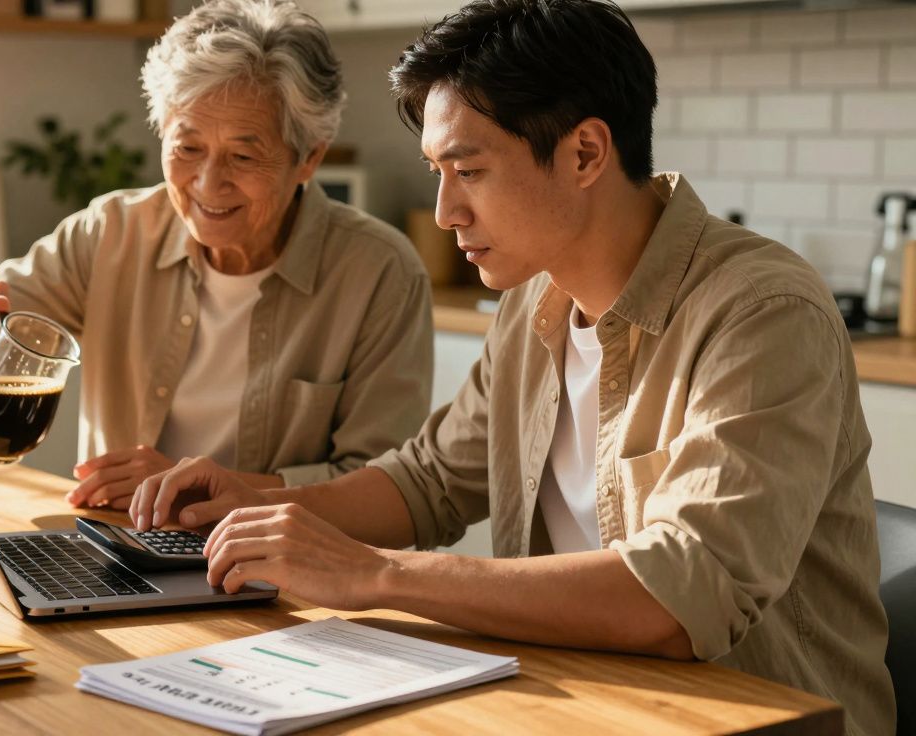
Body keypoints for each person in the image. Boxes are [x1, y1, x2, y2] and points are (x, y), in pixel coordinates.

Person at [128, 1, 896, 733]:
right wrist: (254, 501)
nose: (444, 212)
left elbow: (682, 594)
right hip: (576, 702)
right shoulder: (534, 298)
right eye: (437, 171)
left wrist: (377, 574)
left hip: (761, 719)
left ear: (586, 152)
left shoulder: (762, 312)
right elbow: (431, 480)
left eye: (470, 171)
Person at [0, 0, 433, 511]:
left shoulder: (379, 273)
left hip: (286, 579)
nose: (208, 184)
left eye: (244, 156)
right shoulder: (110, 232)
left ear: (308, 158)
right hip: (115, 556)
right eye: (187, 148)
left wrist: (205, 486)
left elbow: (388, 492)